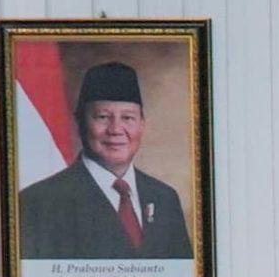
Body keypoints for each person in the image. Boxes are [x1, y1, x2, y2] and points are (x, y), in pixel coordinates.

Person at [15, 61, 194, 261]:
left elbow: (183, 276)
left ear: (142, 125)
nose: (115, 129)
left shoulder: (165, 198)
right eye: (102, 117)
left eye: (127, 118)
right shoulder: (38, 203)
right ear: (80, 122)